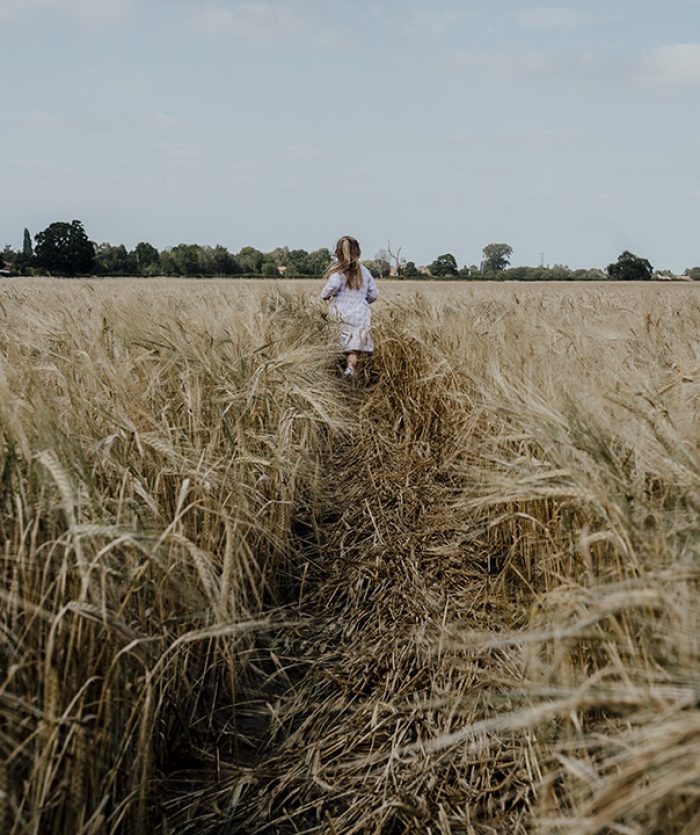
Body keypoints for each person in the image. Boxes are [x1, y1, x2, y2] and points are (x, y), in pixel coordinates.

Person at [320, 236, 379, 378]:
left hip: (340, 312)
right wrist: (362, 301)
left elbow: (331, 287)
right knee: (354, 348)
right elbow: (374, 293)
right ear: (358, 252)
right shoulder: (365, 271)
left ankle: (334, 374)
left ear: (338, 252)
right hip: (360, 313)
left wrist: (326, 296)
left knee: (337, 343)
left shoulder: (338, 271)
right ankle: (350, 370)